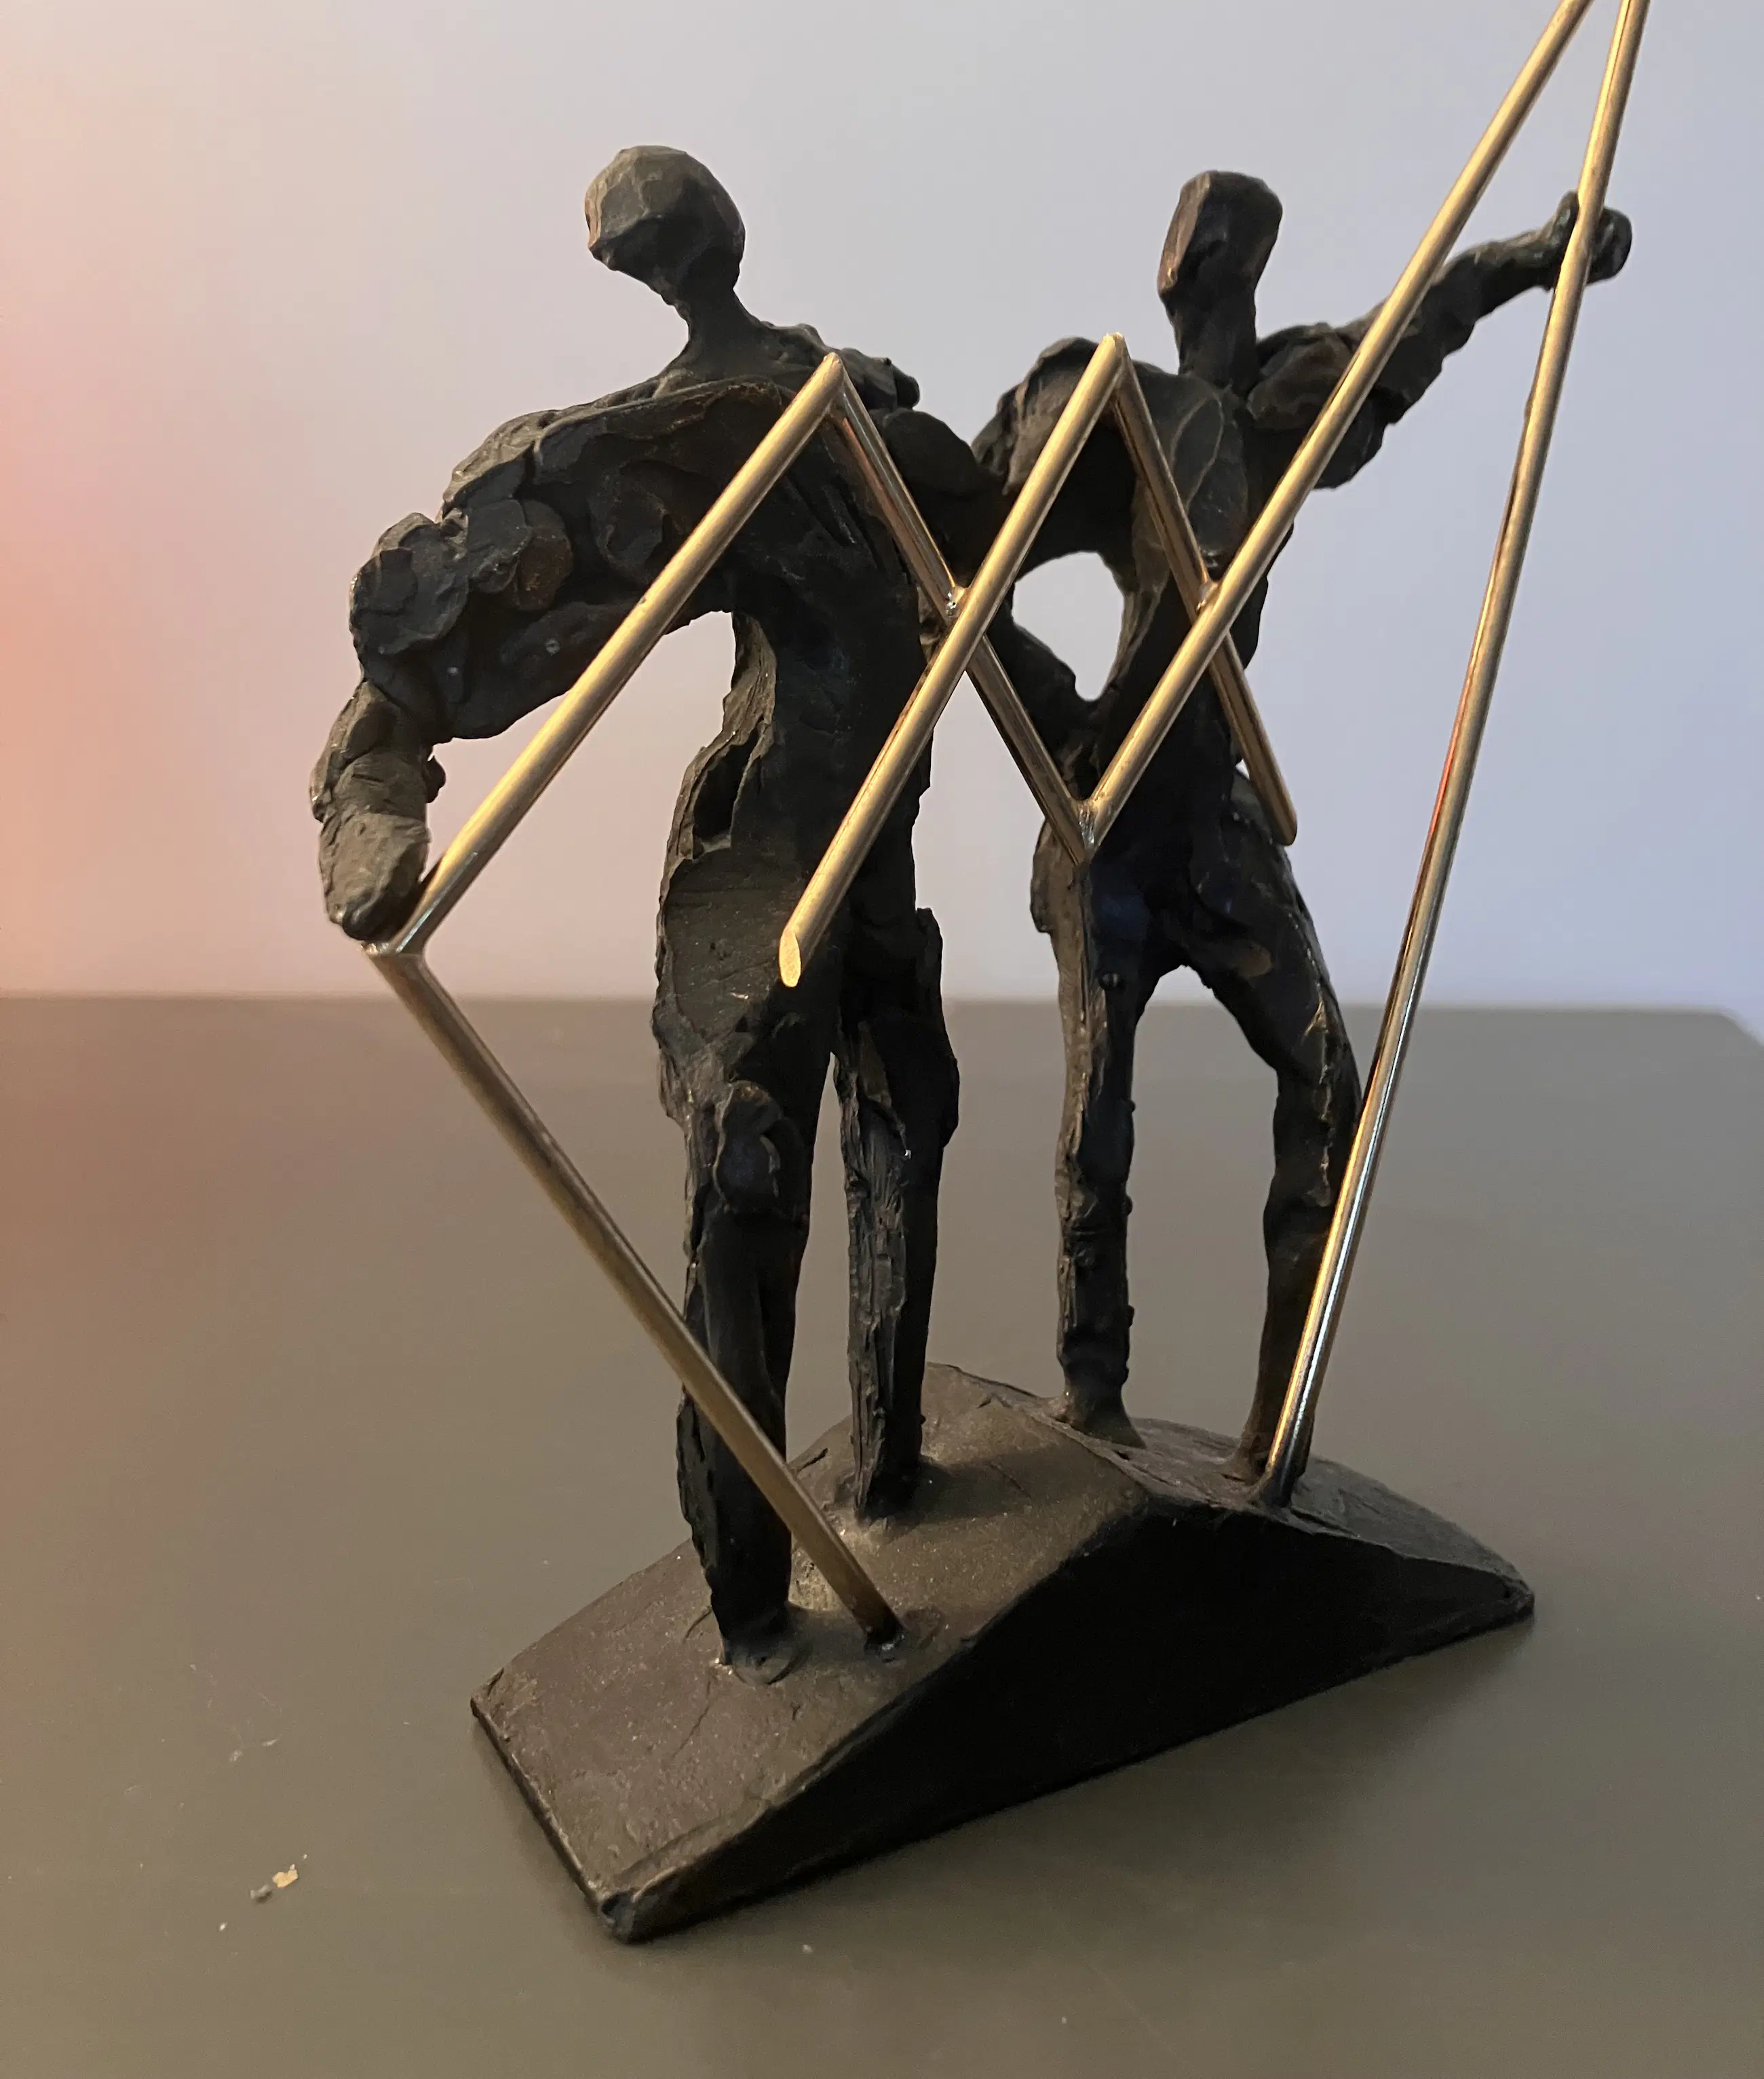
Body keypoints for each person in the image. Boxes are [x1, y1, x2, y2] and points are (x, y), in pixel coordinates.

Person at [311, 148, 961, 1673]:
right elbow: (498, 583)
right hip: (765, 855)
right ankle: (753, 1601)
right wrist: (377, 764)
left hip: (875, 854)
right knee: (747, 1183)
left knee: (905, 1119)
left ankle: (888, 1469)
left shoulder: (843, 403)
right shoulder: (688, 439)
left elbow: (968, 564)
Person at [970, 174, 1631, 1472]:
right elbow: (962, 569)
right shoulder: (1104, 404)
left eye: (1219, 241)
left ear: (1249, 265)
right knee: (1098, 1108)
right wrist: (1064, 720)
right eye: (1188, 241)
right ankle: (1091, 1397)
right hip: (1109, 818)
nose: (1195, 259)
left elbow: (1423, 315)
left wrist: (1536, 253)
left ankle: (1273, 1436)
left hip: (1213, 820)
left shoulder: (1283, 405)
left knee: (1327, 1081)